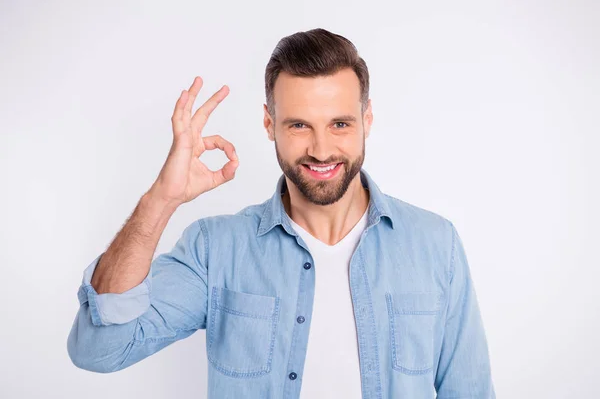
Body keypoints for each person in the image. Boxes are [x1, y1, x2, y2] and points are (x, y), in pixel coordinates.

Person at [67, 28, 495, 398]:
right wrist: (161, 198)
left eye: (340, 124)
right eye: (299, 125)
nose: (322, 149)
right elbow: (99, 349)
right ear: (269, 124)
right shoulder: (216, 249)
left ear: (367, 119)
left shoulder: (436, 244)